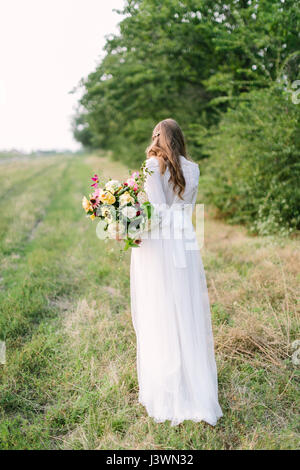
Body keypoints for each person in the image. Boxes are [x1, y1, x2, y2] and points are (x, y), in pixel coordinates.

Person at [130, 118, 223, 426]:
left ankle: (170, 386)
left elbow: (155, 210)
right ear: (180, 139)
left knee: (160, 309)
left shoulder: (152, 166)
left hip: (160, 244)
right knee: (185, 307)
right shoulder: (193, 169)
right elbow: (185, 208)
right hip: (185, 240)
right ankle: (191, 382)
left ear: (159, 137)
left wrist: (129, 221)